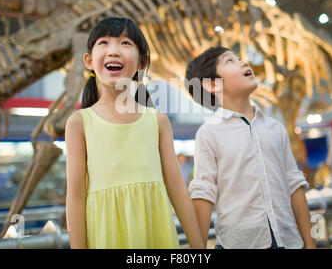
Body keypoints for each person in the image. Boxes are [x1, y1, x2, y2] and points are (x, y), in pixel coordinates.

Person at [65, 17, 203, 249]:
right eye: (104, 43)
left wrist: (198, 247)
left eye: (126, 43)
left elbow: (177, 188)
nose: (114, 51)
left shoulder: (157, 121)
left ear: (142, 62)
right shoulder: (79, 122)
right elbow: (75, 196)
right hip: (105, 236)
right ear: (88, 61)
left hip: (155, 233)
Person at [185, 46, 316, 249]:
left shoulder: (276, 129)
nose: (244, 62)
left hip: (289, 241)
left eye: (239, 58)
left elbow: (294, 184)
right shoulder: (209, 133)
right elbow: (203, 192)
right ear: (212, 85)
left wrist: (309, 242)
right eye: (230, 61)